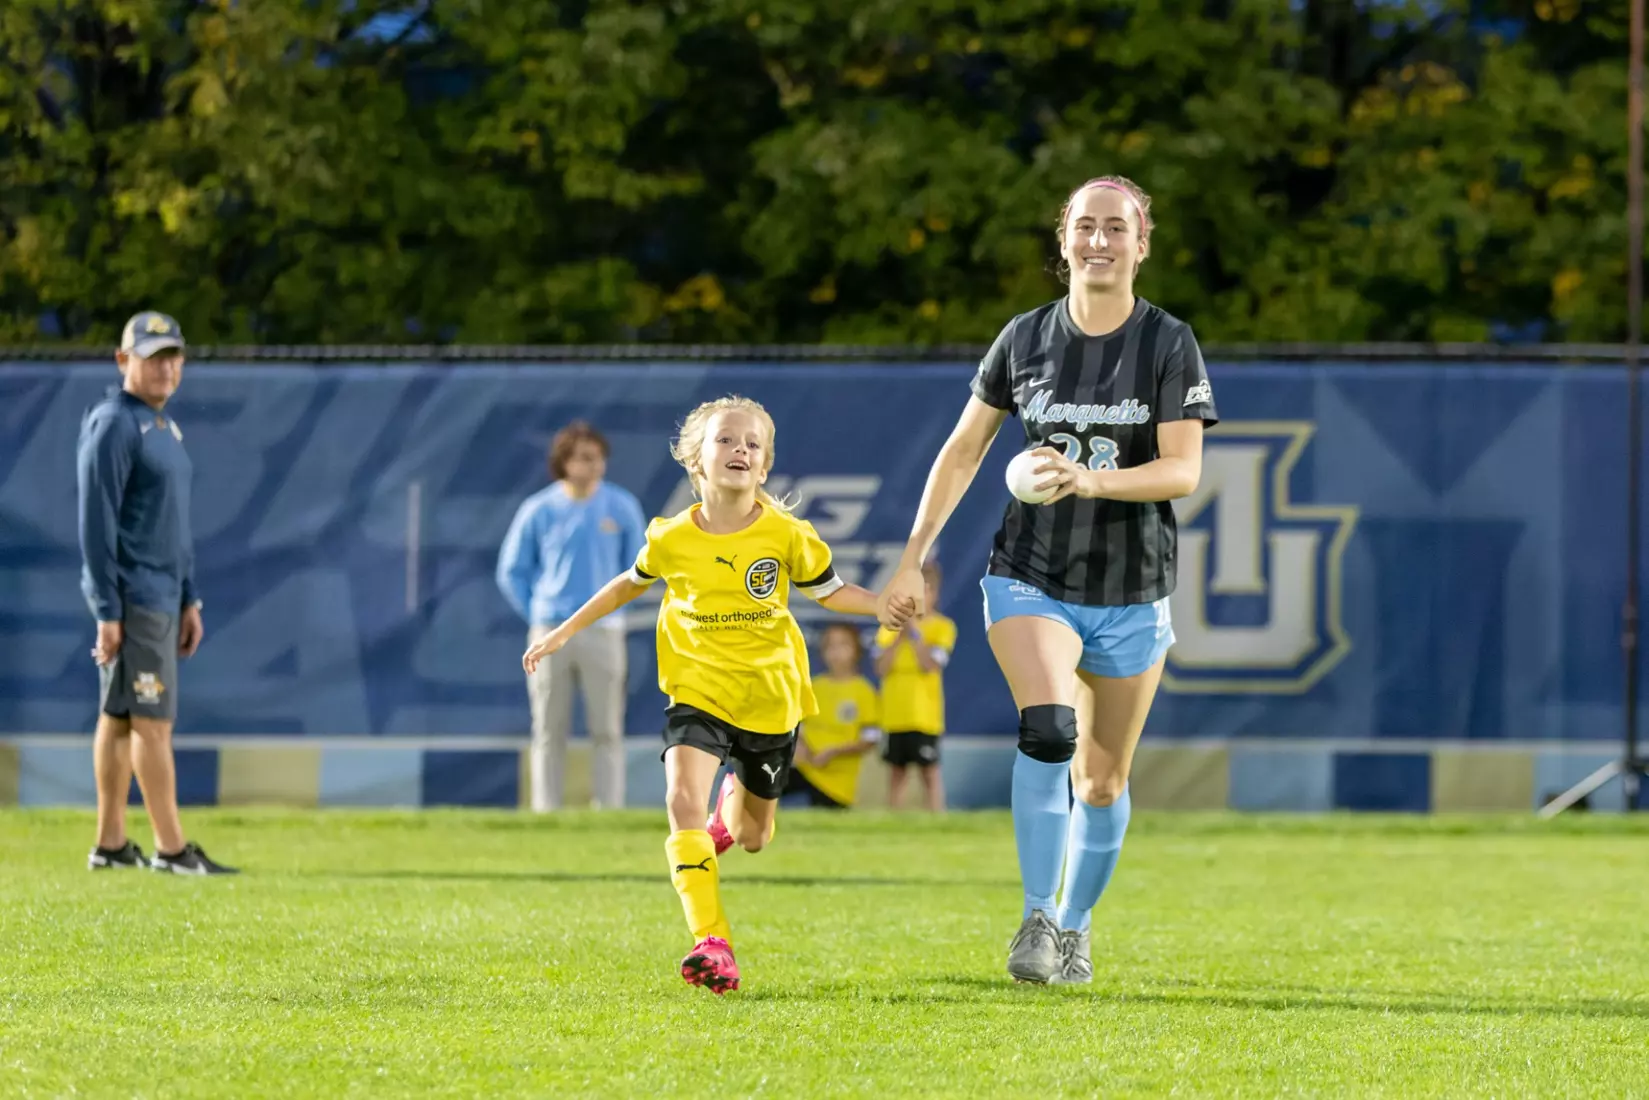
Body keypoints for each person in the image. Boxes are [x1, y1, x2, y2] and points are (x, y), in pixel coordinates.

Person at [876, 176, 1218, 985]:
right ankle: (1034, 916)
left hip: (1132, 586)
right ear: (1062, 241)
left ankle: (1073, 925)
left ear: (1141, 244)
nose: (1099, 241)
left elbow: (1182, 470)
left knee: (1100, 782)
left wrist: (1090, 480)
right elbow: (962, 451)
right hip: (1029, 573)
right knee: (1048, 728)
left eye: (1116, 228)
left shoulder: (1168, 341)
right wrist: (912, 553)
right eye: (1085, 227)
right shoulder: (1024, 338)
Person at [522, 395, 905, 994]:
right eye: (726, 440)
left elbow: (831, 592)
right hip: (696, 689)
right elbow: (628, 585)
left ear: (765, 465)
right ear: (695, 458)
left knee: (754, 837)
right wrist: (562, 631)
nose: (740, 451)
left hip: (770, 699)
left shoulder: (786, 535)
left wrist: (881, 604)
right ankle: (712, 943)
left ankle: (723, 826)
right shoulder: (671, 536)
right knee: (680, 799)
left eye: (752, 444)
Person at [77, 311, 236, 875]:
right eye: (153, 355)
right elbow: (97, 523)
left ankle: (112, 844)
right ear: (124, 361)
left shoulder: (163, 426)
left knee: (121, 717)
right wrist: (106, 608)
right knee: (151, 722)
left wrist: (189, 596)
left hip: (164, 597)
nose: (166, 366)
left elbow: (173, 523)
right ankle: (172, 850)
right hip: (135, 597)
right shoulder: (115, 423)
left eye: (174, 355)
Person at [497, 422, 646, 811]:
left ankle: (609, 808)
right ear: (564, 462)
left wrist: (616, 612)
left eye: (598, 458)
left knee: (607, 728)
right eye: (584, 457)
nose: (594, 465)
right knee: (548, 727)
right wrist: (540, 614)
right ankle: (546, 810)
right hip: (550, 630)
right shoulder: (539, 510)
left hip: (604, 631)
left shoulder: (621, 506)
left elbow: (641, 568)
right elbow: (511, 571)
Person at [873, 560, 955, 812]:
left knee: (929, 771)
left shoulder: (943, 627)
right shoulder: (889, 628)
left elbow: (930, 664)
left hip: (925, 716)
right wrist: (900, 634)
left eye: (924, 590)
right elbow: (881, 668)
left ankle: (937, 818)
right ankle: (893, 820)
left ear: (934, 593)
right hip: (894, 715)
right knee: (896, 773)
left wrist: (915, 633)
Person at [786, 623, 882, 810]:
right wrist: (801, 746)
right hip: (805, 768)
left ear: (856, 651)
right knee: (762, 784)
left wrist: (833, 752)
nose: (836, 652)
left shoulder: (864, 692)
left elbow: (871, 738)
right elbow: (796, 724)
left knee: (823, 819)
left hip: (837, 783)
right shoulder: (814, 686)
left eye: (843, 645)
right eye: (830, 646)